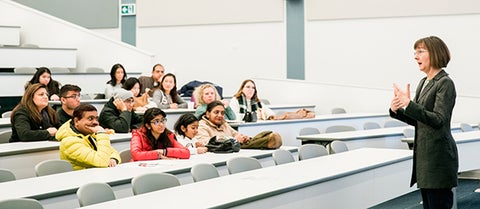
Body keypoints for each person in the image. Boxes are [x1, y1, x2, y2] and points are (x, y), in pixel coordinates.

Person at [389, 36, 457, 209]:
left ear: (434, 54)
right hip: (426, 160)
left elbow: (438, 120)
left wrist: (409, 103)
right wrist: (397, 110)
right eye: (415, 52)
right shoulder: (423, 83)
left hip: (438, 159)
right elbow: (421, 119)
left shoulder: (445, 83)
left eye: (420, 51)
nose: (415, 56)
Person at [56, 103, 120, 170]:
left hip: (96, 175)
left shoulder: (90, 134)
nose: (96, 122)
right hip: (80, 178)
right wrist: (101, 133)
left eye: (96, 119)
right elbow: (102, 161)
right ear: (77, 121)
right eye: (90, 119)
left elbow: (113, 152)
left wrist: (113, 159)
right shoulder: (69, 142)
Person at [197, 101, 282, 149]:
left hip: (234, 146)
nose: (220, 115)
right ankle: (269, 141)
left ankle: (268, 140)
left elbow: (235, 133)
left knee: (264, 134)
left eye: (222, 113)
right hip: (225, 149)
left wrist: (242, 137)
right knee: (267, 139)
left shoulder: (223, 123)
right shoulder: (201, 126)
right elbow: (208, 142)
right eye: (216, 112)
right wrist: (234, 139)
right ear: (208, 114)